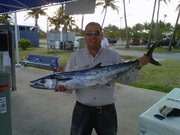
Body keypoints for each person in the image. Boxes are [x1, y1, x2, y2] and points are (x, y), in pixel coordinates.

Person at [55, 22, 149, 135]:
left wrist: (137, 66)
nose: (92, 36)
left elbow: (126, 79)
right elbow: (69, 86)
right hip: (82, 111)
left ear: (101, 36)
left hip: (107, 112)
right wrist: (63, 88)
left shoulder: (113, 56)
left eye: (96, 33)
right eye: (89, 33)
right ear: (85, 36)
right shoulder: (75, 56)